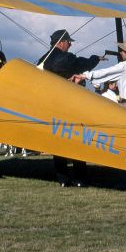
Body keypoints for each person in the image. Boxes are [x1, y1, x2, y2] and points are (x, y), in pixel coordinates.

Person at [38, 29, 101, 188]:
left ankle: (62, 178)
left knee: (57, 141)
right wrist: (96, 58)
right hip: (69, 105)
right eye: (68, 41)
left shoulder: (42, 60)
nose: (71, 44)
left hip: (51, 106)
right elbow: (84, 63)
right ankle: (81, 178)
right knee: (77, 139)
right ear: (61, 42)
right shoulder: (67, 58)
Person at [75, 36, 126, 116]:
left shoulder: (125, 65)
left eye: (122, 50)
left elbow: (106, 72)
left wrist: (85, 75)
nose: (121, 52)